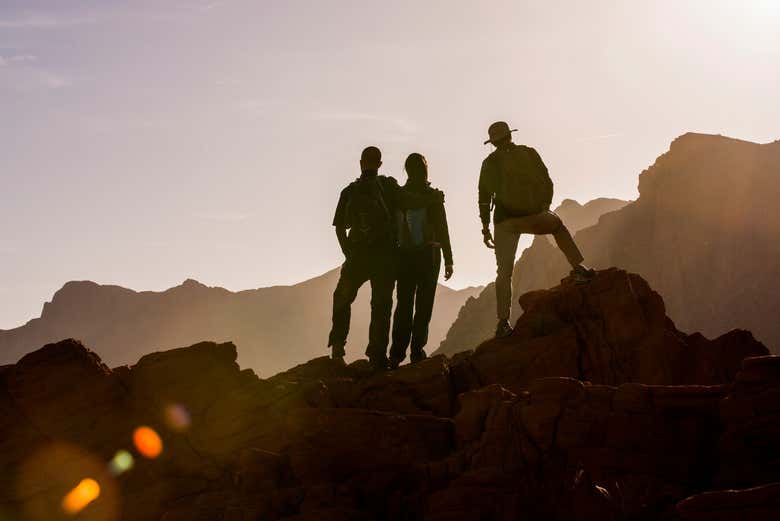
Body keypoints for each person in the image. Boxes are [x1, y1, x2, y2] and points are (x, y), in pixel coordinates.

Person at [329, 146, 442, 370]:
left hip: (357, 257)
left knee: (342, 299)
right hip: (385, 259)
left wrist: (348, 253)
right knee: (381, 307)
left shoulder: (349, 191)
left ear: (361, 162)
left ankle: (337, 348)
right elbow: (411, 202)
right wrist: (433, 199)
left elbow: (339, 228)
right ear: (380, 164)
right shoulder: (389, 187)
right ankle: (377, 356)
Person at [479, 121, 595, 338]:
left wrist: (485, 228)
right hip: (533, 215)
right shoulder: (529, 153)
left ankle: (503, 323)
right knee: (558, 227)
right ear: (510, 137)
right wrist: (544, 207)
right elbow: (547, 181)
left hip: (505, 222)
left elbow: (484, 199)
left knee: (504, 273)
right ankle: (579, 269)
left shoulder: (489, 163)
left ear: (493, 143)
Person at [388, 153, 453, 369]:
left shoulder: (399, 196)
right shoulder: (433, 196)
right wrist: (450, 259)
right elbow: (442, 229)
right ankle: (417, 351)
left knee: (404, 305)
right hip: (430, 256)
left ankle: (396, 354)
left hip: (404, 256)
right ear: (425, 169)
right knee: (424, 305)